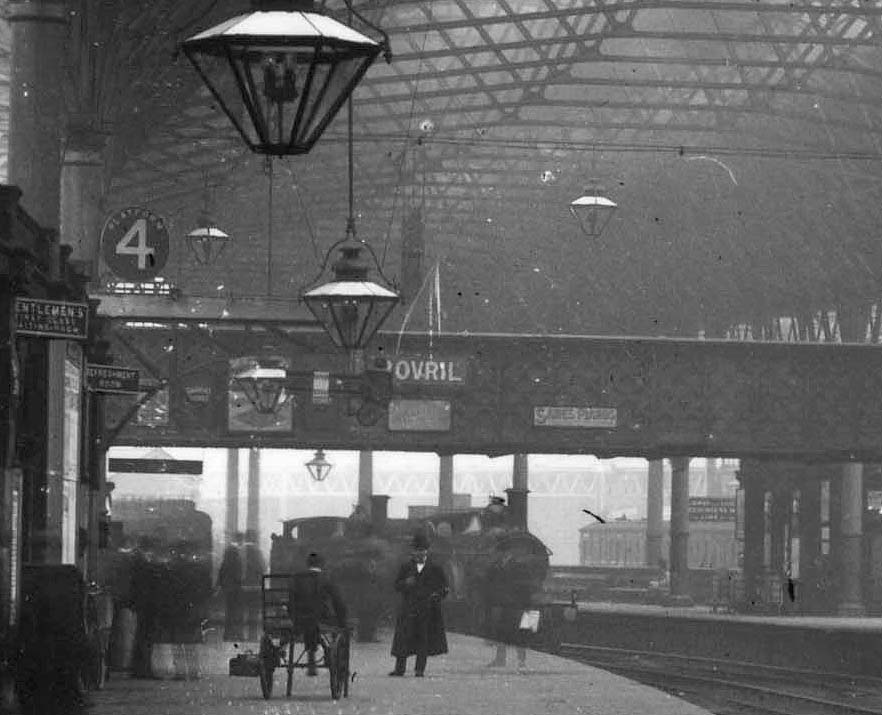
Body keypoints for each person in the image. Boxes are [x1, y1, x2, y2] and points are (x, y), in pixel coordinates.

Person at [389, 532, 449, 678]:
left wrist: (437, 596)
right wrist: (405, 583)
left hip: (427, 609)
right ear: (412, 551)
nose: (419, 553)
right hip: (409, 608)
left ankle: (419, 669)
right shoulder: (406, 567)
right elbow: (396, 585)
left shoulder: (435, 568)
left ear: (426, 551)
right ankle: (399, 669)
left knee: (423, 638)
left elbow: (444, 587)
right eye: (417, 550)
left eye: (422, 550)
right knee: (404, 638)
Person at [288, 552, 348, 676]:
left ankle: (311, 657)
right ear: (321, 564)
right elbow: (338, 601)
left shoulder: (297, 578)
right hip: (320, 618)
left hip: (300, 618)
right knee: (320, 622)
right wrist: (342, 619)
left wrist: (292, 615)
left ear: (307, 564)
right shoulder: (326, 578)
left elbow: (291, 600)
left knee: (309, 620)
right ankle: (330, 654)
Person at [217, 533, 244, 641]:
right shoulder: (236, 553)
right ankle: (236, 634)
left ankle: (228, 633)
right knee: (236, 610)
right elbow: (238, 572)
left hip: (228, 586)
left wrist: (220, 584)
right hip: (235, 586)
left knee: (230, 610)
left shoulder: (229, 552)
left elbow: (222, 570)